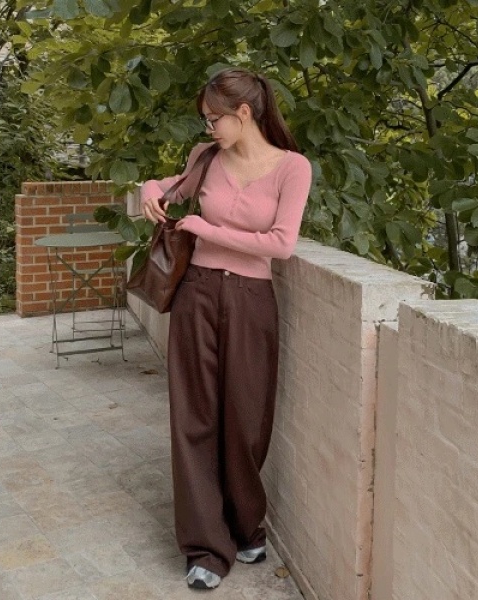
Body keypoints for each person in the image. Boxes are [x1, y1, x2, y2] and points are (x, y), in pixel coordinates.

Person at [141, 67, 312, 590]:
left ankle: (244, 526)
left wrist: (206, 228)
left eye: (214, 118)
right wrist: (150, 187)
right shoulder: (205, 158)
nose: (209, 128)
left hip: (250, 300)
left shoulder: (292, 167)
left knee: (246, 417)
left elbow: (282, 244)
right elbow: (168, 188)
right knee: (194, 417)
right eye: (205, 120)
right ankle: (206, 548)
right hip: (196, 293)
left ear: (244, 112)